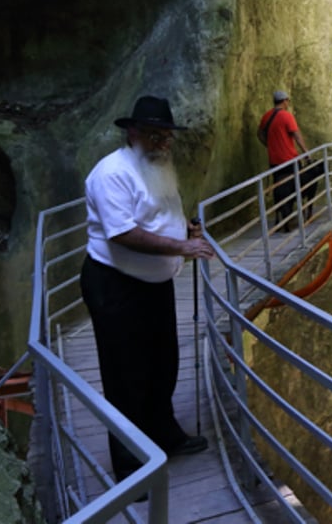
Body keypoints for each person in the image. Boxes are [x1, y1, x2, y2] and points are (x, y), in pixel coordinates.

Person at [81, 95, 216, 483]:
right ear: (133, 133)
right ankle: (130, 468)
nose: (163, 143)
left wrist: (184, 231)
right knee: (125, 376)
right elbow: (122, 233)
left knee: (162, 363)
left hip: (155, 284)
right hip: (116, 286)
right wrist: (183, 247)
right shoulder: (112, 173)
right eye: (155, 136)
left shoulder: (157, 163)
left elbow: (161, 212)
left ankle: (165, 435)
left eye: (167, 136)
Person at [258, 90, 312, 229]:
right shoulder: (286, 116)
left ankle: (280, 217)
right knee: (296, 188)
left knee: (279, 188)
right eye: (288, 100)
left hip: (274, 161)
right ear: (284, 101)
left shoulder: (266, 116)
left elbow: (260, 134)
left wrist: (269, 145)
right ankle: (294, 217)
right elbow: (296, 135)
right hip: (289, 159)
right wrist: (306, 152)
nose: (288, 103)